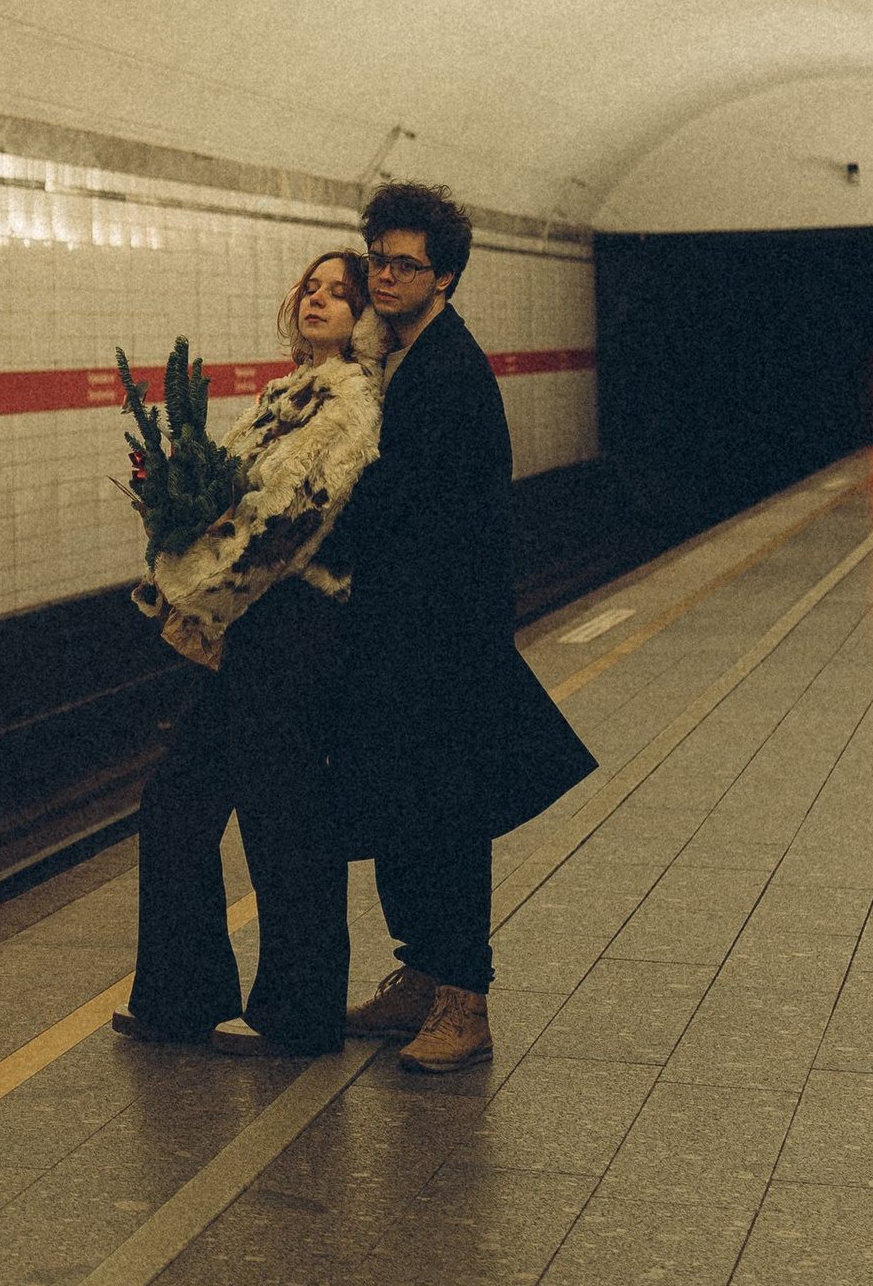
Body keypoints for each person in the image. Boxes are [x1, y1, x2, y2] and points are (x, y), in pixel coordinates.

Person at [333, 181, 598, 1074]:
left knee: (447, 812)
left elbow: (389, 499)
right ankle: (420, 974)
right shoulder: (393, 356)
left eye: (406, 264)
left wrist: (291, 530)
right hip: (399, 628)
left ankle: (464, 1000)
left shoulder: (447, 370)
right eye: (378, 260)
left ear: (446, 276)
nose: (386, 276)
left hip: (442, 635)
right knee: (401, 804)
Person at [113, 247, 385, 1058]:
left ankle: (295, 1014)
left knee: (283, 823)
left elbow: (287, 519)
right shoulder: (286, 397)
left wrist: (191, 588)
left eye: (343, 294)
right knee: (181, 806)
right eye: (312, 287)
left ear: (366, 317)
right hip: (256, 630)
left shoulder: (350, 404)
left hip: (297, 631)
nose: (321, 301)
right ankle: (184, 996)